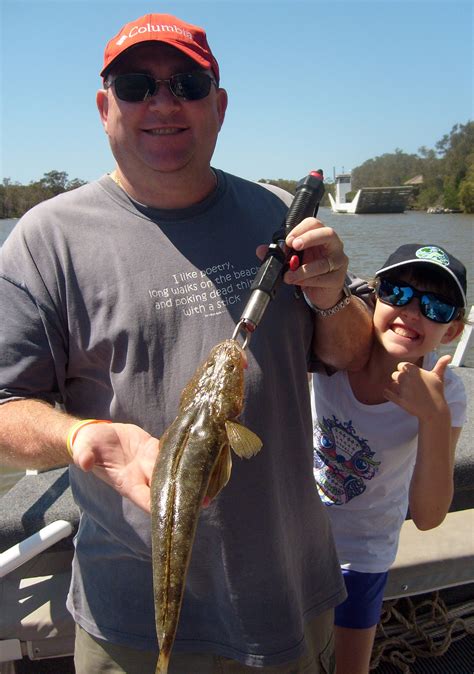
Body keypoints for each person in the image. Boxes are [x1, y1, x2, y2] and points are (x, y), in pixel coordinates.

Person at [0, 13, 372, 674]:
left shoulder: (280, 215)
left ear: (218, 105)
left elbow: (347, 354)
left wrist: (333, 294)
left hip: (288, 599)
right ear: (103, 106)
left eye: (188, 83)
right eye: (137, 84)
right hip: (128, 623)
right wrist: (84, 440)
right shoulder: (44, 241)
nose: (163, 103)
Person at [311, 243, 468, 674]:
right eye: (398, 292)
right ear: (374, 296)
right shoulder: (331, 352)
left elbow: (429, 515)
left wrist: (434, 417)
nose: (412, 312)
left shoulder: (447, 393)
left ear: (452, 331)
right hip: (297, 540)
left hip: (363, 555)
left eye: (435, 306)